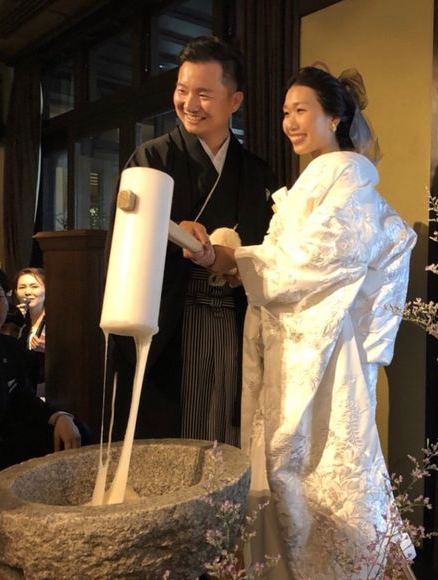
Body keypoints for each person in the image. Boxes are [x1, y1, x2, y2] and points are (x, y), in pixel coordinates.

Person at [184, 67, 417, 578]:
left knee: (321, 469)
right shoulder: (313, 183)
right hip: (293, 344)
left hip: (326, 351)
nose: (290, 122)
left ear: (334, 118)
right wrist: (224, 255)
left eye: (301, 110)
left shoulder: (349, 182)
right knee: (285, 466)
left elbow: (316, 260)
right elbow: (281, 258)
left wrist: (234, 258)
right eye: (286, 112)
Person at [109, 36, 276, 445]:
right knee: (178, 436)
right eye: (182, 91)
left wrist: (237, 263)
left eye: (203, 93)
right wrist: (171, 230)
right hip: (174, 320)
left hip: (235, 318)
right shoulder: (152, 159)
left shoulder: (257, 172)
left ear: (234, 100)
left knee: (230, 430)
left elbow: (271, 248)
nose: (189, 103)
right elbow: (126, 242)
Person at [0, 261, 81, 481]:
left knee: (76, 431)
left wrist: (59, 417)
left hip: (4, 445)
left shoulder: (10, 347)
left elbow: (24, 399)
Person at [15, 267, 46, 395]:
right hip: (22, 389)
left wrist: (48, 350)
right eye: (22, 287)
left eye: (34, 286)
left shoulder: (56, 321)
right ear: (16, 292)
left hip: (48, 388)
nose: (28, 292)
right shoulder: (15, 321)